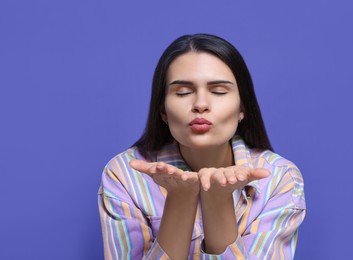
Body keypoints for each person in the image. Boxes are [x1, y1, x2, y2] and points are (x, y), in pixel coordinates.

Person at [98, 34, 306, 260]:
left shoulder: (278, 178)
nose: (200, 105)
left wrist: (217, 201)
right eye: (183, 92)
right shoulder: (125, 175)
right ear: (163, 111)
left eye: (218, 91)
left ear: (242, 108)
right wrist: (180, 198)